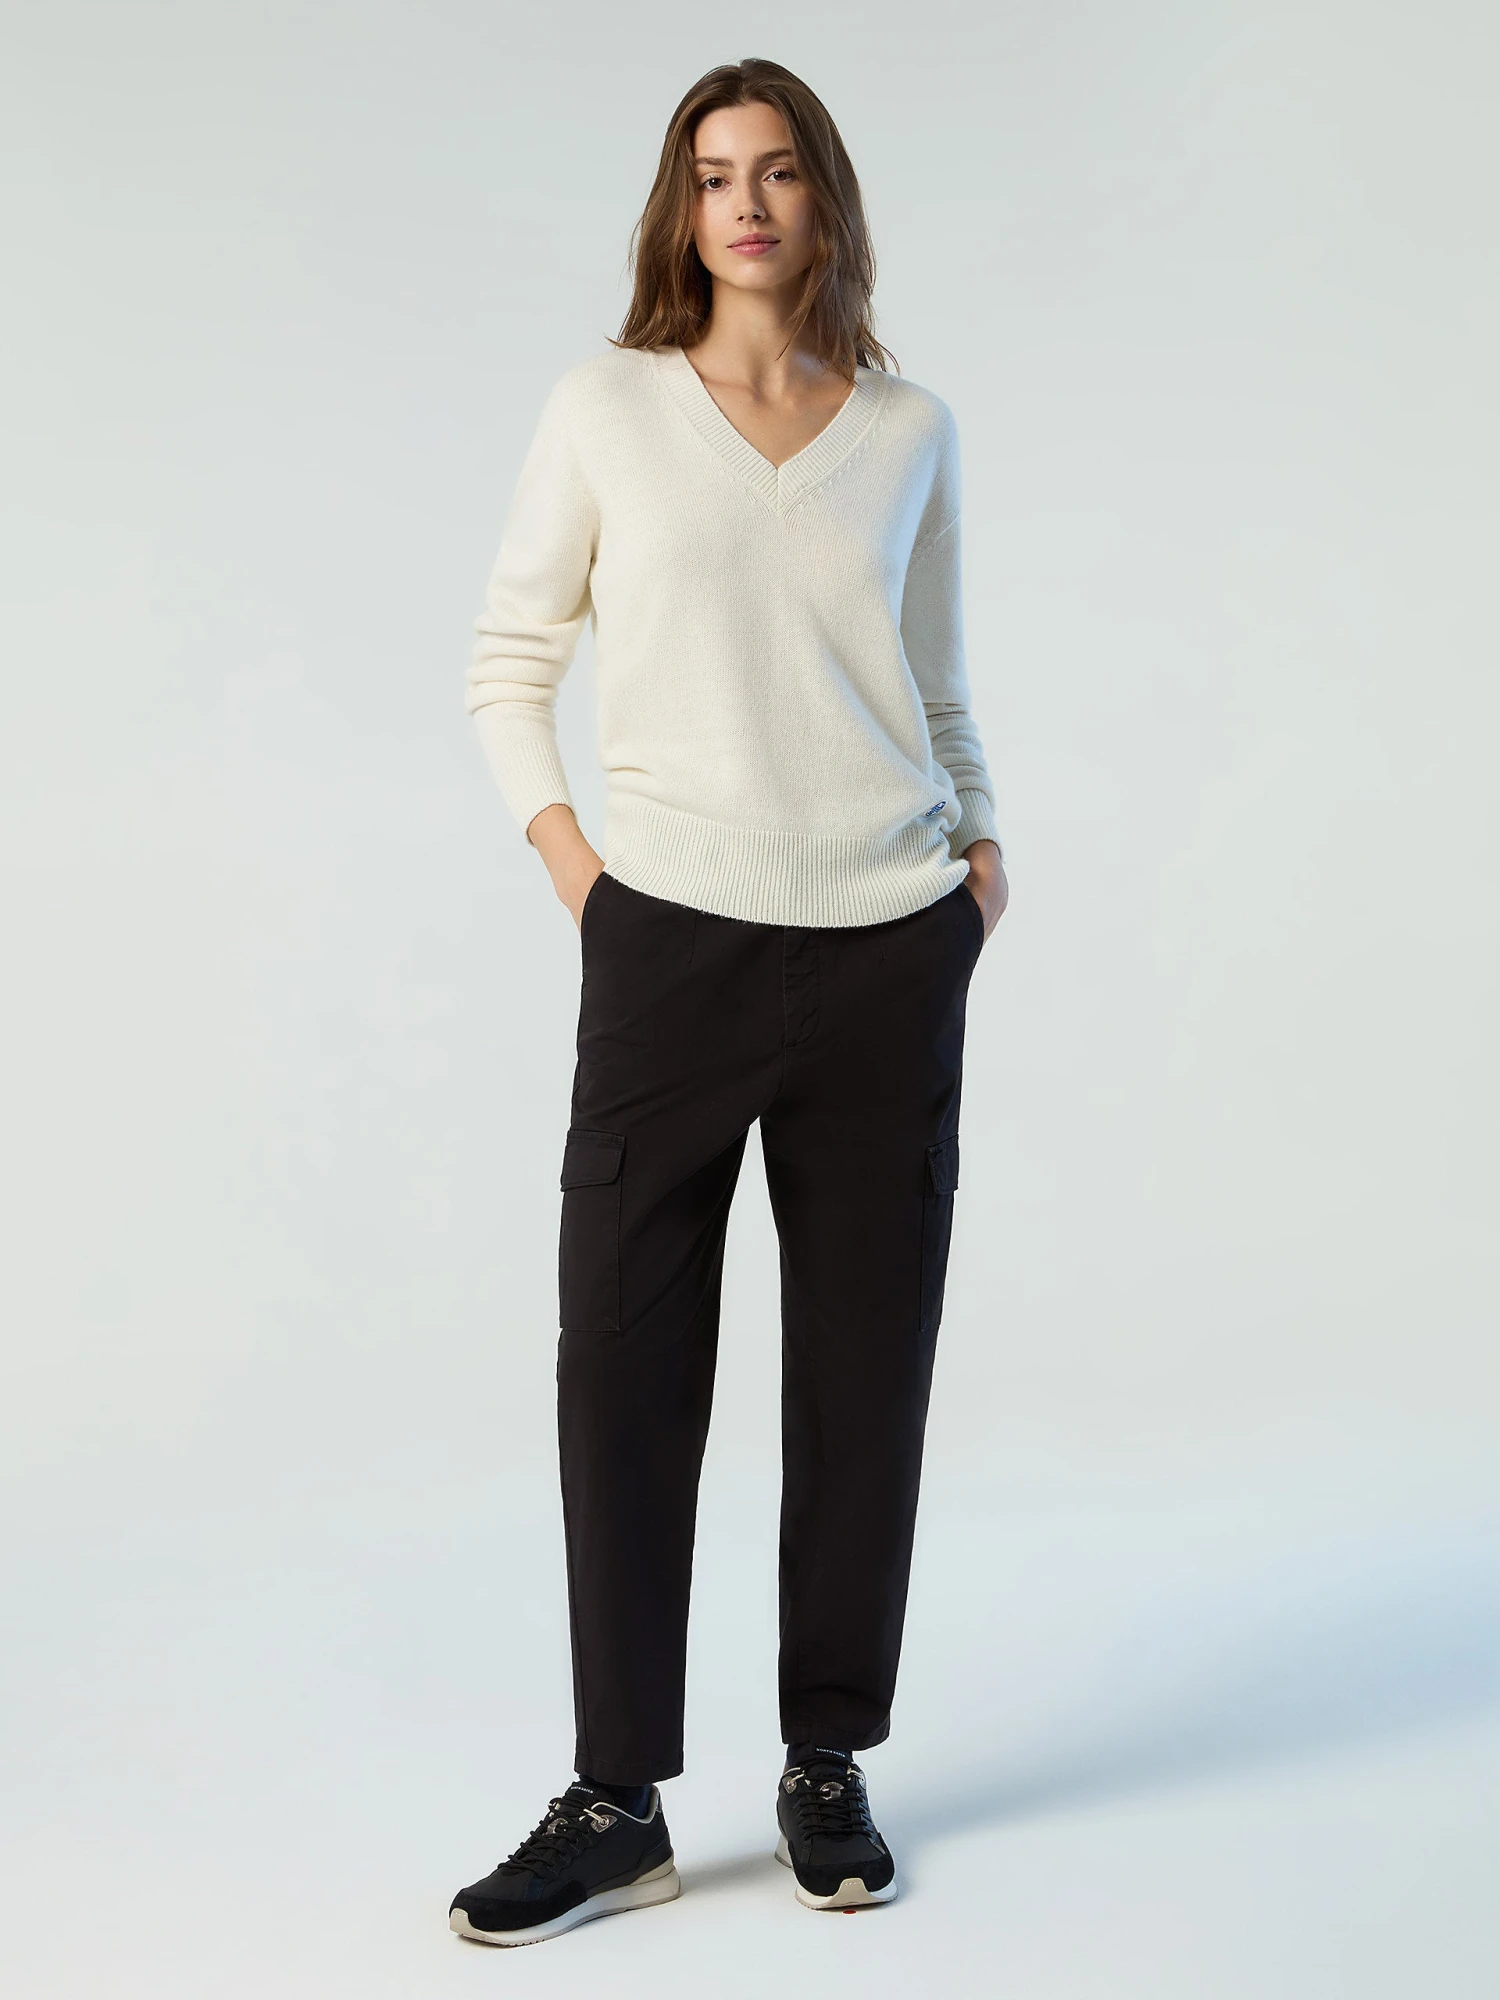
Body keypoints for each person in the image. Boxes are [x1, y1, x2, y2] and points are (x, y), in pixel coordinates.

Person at [449, 56, 1007, 1947]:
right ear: (679, 211)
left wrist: (979, 855)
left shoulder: (909, 428)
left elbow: (935, 679)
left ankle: (826, 1762)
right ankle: (618, 1798)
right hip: (668, 946)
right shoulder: (606, 406)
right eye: (712, 176)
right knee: (621, 1368)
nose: (747, 205)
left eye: (776, 172)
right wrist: (579, 875)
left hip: (889, 945)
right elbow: (509, 657)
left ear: (824, 197)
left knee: (864, 1372)